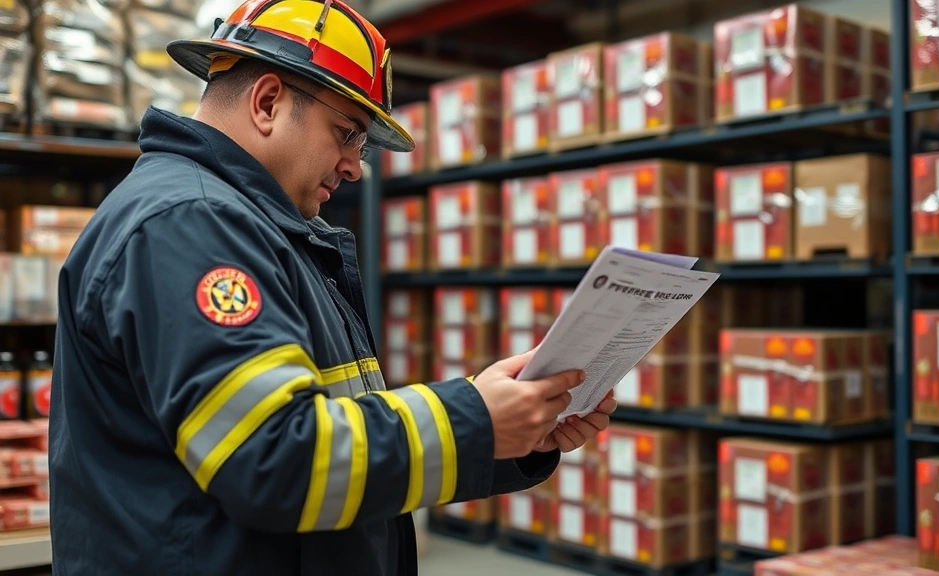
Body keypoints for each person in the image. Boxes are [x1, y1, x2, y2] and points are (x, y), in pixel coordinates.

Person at [47, 0, 617, 574]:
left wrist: (506, 432)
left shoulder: (259, 229)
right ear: (267, 102)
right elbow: (274, 459)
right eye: (347, 133)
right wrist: (474, 418)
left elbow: (337, 436)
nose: (354, 167)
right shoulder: (188, 223)